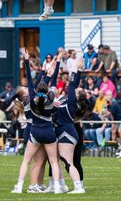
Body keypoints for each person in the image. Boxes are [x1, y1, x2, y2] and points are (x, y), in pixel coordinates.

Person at [11, 50, 62, 194]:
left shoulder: (30, 99)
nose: (28, 88)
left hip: (35, 130)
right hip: (44, 130)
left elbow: (36, 84)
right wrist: (56, 65)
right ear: (23, 94)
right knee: (43, 161)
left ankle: (29, 185)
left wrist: (29, 63)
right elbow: (48, 83)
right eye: (25, 89)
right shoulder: (49, 98)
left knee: (39, 161)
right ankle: (40, 185)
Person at [54, 60, 87, 194]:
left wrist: (76, 70)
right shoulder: (67, 101)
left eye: (76, 91)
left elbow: (72, 85)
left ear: (77, 96)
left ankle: (79, 187)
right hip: (64, 131)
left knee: (69, 162)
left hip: (68, 132)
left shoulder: (72, 104)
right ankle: (61, 185)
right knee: (62, 160)